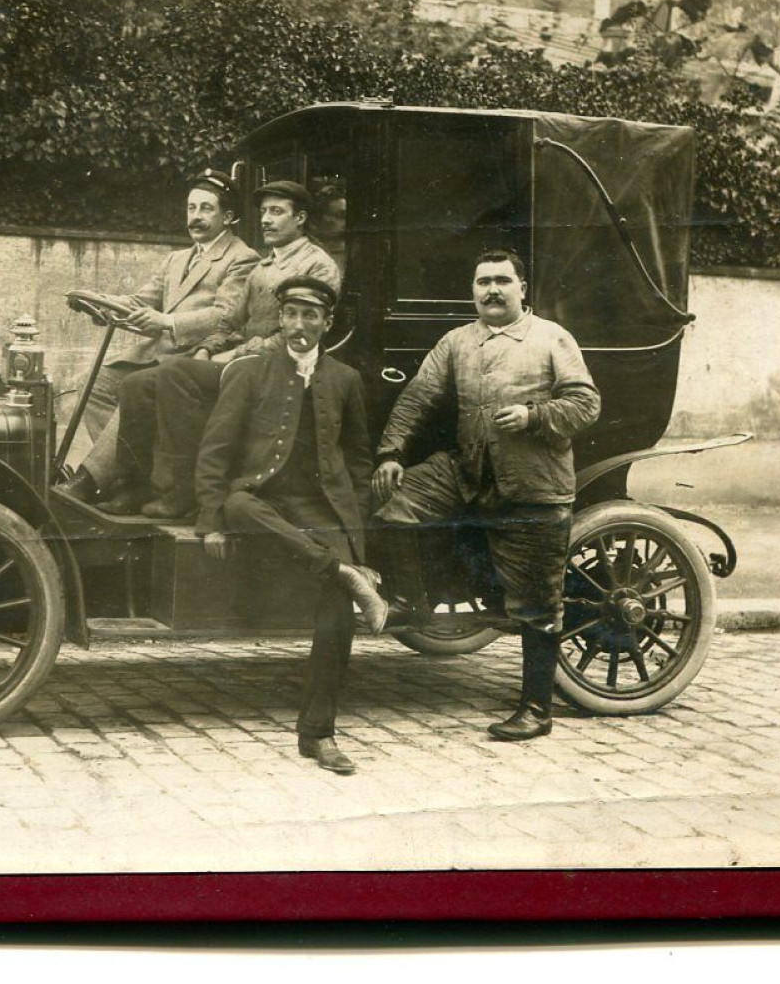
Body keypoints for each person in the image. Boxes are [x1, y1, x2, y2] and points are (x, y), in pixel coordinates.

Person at [371, 248, 601, 742]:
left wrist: (534, 416)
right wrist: (391, 452)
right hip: (468, 471)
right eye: (482, 282)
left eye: (502, 281)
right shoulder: (457, 342)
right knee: (393, 500)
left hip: (532, 485)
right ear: (472, 291)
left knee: (537, 603)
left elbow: (585, 404)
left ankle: (536, 710)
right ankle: (411, 605)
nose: (492, 290)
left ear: (523, 288)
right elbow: (418, 395)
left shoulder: (551, 338)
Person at [194, 276, 386, 775]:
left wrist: (354, 538)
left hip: (321, 510)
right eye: (291, 315)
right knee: (239, 505)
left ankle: (318, 734)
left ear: (326, 323)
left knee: (338, 616)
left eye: (310, 316)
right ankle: (342, 572)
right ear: (280, 320)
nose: (300, 326)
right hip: (263, 503)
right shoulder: (250, 371)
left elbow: (359, 463)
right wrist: (211, 520)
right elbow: (215, 451)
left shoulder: (345, 379)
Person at [109, 180, 340, 518]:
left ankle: (184, 493)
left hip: (281, 366)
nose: (266, 220)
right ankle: (133, 486)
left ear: (300, 218)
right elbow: (229, 320)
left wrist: (234, 353)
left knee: (174, 371)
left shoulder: (317, 265)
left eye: (277, 212)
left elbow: (298, 333)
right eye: (263, 212)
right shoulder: (265, 265)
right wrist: (206, 349)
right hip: (246, 361)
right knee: (137, 384)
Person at [57, 170, 258, 504]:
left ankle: (92, 477)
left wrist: (166, 322)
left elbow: (224, 315)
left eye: (206, 209)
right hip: (155, 354)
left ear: (228, 217)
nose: (196, 216)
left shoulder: (242, 258)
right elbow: (140, 301)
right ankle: (130, 474)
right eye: (192, 208)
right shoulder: (176, 258)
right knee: (92, 385)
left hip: (194, 358)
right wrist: (102, 304)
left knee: (135, 388)